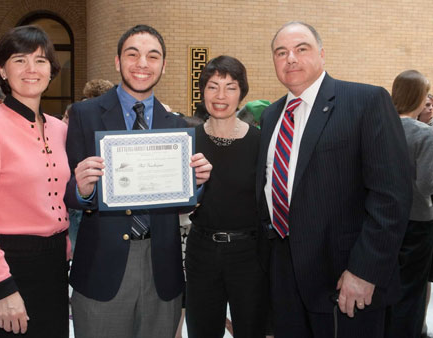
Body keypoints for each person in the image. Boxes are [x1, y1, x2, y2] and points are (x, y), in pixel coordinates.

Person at [257, 21, 411, 338]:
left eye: (302, 49)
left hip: (344, 280)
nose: (290, 59)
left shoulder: (365, 102)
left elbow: (391, 196)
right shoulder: (271, 116)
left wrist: (365, 271)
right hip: (286, 278)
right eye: (281, 52)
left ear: (322, 54)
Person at [64, 24, 212, 338]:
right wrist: (82, 188)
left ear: (163, 65)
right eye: (133, 54)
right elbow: (68, 193)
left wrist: (196, 184)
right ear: (118, 61)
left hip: (162, 269)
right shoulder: (85, 114)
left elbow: (187, 202)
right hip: (102, 267)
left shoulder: (177, 127)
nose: (142, 63)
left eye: (152, 56)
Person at [0, 25, 70, 337]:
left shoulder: (59, 128)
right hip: (7, 263)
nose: (31, 69)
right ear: (2, 70)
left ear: (52, 70)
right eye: (20, 60)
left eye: (41, 61)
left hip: (52, 265)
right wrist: (0, 287)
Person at [185, 55, 268, 338]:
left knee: (251, 330)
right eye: (213, 86)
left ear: (241, 93)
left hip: (249, 254)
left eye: (230, 87)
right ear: (202, 92)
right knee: (202, 331)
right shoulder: (187, 140)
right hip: (201, 251)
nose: (221, 96)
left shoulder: (261, 142)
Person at [384, 70, 433, 338]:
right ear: (417, 96)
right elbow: (427, 185)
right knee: (412, 291)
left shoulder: (380, 127)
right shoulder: (424, 134)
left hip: (383, 220)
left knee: (385, 287)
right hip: (416, 222)